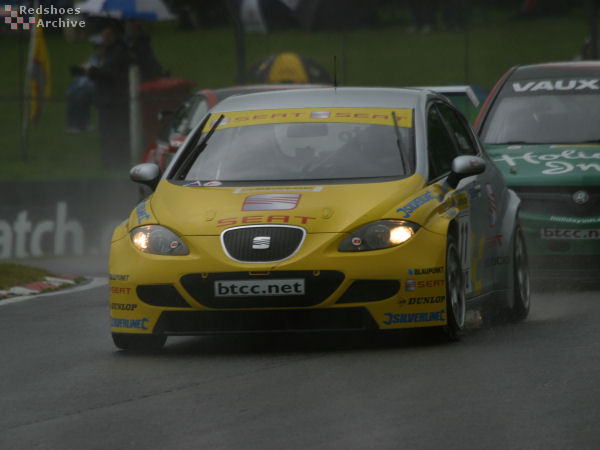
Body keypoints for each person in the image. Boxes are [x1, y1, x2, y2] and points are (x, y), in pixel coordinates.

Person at [87, 27, 131, 170]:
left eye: (107, 35)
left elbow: (113, 75)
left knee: (112, 132)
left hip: (113, 100)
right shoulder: (111, 52)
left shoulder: (118, 52)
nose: (104, 39)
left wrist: (93, 72)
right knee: (108, 132)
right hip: (107, 99)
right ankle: (110, 161)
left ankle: (115, 161)